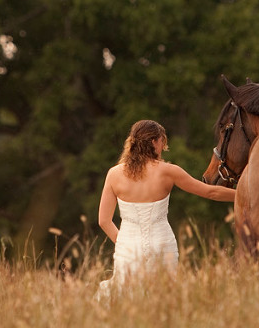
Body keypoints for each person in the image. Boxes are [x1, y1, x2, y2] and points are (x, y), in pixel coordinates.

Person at [96, 119, 236, 297]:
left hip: (127, 248)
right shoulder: (169, 171)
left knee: (127, 296)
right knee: (163, 297)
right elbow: (211, 192)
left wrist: (124, 242)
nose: (163, 147)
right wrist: (244, 194)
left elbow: (104, 220)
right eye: (163, 141)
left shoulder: (114, 174)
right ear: (154, 141)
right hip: (162, 245)